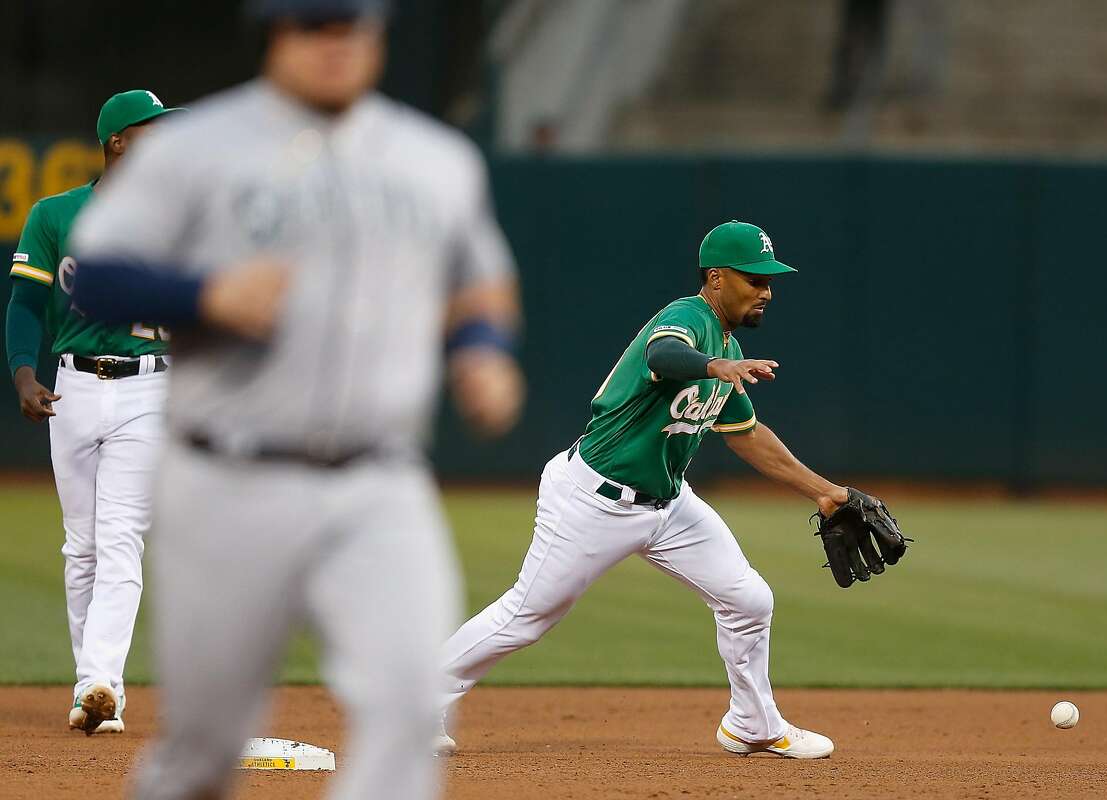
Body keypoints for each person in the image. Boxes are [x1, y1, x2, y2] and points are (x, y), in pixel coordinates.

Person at [69, 0, 523, 797]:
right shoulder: (193, 150)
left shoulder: (436, 160)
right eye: (313, 25)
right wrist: (205, 293)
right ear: (273, 33)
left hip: (382, 481)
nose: (335, 43)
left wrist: (481, 354)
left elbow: (481, 286)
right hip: (230, 479)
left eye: (352, 25)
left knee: (410, 709)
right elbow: (96, 273)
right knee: (204, 749)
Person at [440, 220, 897, 760]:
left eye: (770, 279)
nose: (766, 290)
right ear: (716, 278)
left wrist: (827, 493)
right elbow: (662, 355)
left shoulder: (724, 343)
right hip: (594, 498)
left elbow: (747, 435)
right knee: (527, 616)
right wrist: (715, 366)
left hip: (669, 503)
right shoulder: (688, 319)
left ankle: (752, 723)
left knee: (748, 599)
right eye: (753, 278)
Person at [6, 89, 182, 734]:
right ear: (118, 142)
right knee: (81, 549)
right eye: (153, 130)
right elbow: (25, 305)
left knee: (118, 540)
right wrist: (24, 373)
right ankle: (94, 692)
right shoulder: (56, 215)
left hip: (148, 390)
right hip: (71, 389)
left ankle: (101, 681)